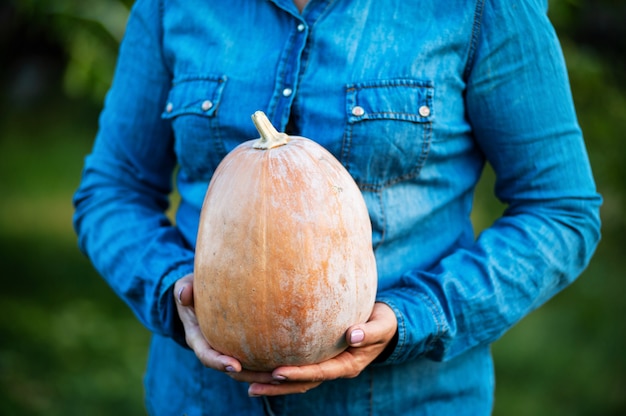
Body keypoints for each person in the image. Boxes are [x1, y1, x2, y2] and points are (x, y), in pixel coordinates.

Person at [72, 0, 602, 414]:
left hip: (407, 402)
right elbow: (111, 191)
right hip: (197, 399)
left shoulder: (481, 7)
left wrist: (415, 317)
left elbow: (560, 210)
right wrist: (176, 292)